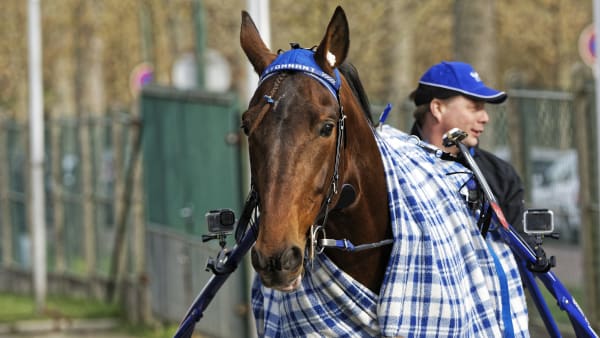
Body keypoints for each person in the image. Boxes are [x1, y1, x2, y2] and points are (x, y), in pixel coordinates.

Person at [408, 61, 526, 232]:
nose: (485, 117)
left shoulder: (501, 175)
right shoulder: (397, 168)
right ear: (438, 108)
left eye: (483, 108)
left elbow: (519, 250)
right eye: (474, 108)